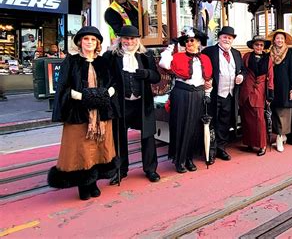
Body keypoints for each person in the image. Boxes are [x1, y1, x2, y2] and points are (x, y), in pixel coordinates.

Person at [47, 26, 119, 201]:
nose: (89, 43)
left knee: (98, 148)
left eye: (93, 40)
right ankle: (83, 185)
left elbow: (113, 83)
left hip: (101, 113)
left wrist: (105, 94)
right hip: (78, 113)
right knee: (81, 149)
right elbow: (63, 87)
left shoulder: (104, 62)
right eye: (86, 39)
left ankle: (93, 182)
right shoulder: (71, 61)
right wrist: (81, 96)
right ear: (80, 42)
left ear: (98, 43)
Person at [103, 25, 161, 184]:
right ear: (120, 39)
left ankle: (150, 169)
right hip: (121, 104)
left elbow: (156, 77)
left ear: (138, 40)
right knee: (119, 138)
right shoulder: (111, 56)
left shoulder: (145, 55)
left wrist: (147, 74)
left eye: (133, 38)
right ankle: (121, 170)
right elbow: (104, 78)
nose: (129, 41)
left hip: (142, 104)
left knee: (148, 137)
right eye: (126, 38)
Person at [159, 27, 213, 173]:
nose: (189, 43)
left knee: (195, 129)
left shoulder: (205, 59)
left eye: (192, 40)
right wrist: (171, 46)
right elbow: (164, 64)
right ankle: (179, 160)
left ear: (198, 42)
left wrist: (207, 94)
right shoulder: (178, 57)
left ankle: (189, 158)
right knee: (181, 127)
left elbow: (208, 79)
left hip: (198, 95)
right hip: (181, 95)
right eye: (187, 41)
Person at [202, 26, 244, 163]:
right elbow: (201, 69)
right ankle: (210, 151)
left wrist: (241, 76)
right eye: (224, 37)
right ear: (219, 38)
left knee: (225, 122)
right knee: (212, 122)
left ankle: (221, 147)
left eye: (229, 38)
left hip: (230, 94)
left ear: (232, 40)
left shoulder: (236, 53)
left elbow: (242, 70)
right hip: (215, 94)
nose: (227, 39)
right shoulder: (209, 51)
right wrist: (204, 82)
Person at [239, 36, 274, 156]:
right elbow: (242, 70)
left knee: (259, 120)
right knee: (246, 119)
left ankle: (261, 145)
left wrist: (270, 94)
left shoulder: (268, 58)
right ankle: (249, 143)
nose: (259, 47)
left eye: (261, 45)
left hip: (260, 91)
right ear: (253, 46)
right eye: (256, 45)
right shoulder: (247, 56)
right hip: (246, 90)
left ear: (263, 47)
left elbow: (271, 77)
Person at [268, 29, 292, 152]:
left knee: (283, 113)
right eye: (277, 38)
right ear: (274, 40)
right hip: (272, 86)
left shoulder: (289, 54)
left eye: (281, 39)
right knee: (274, 112)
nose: (279, 40)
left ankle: (279, 138)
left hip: (285, 87)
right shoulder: (269, 53)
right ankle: (281, 135)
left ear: (284, 41)